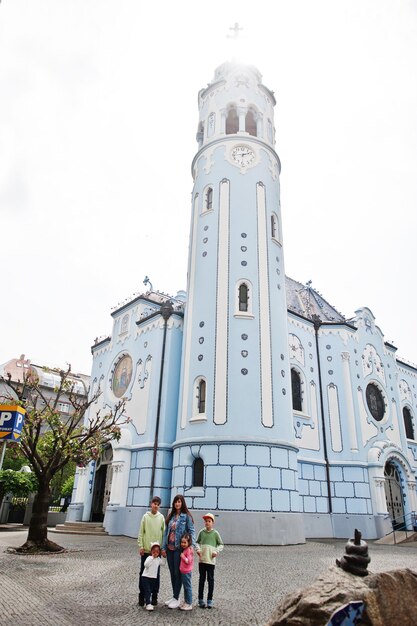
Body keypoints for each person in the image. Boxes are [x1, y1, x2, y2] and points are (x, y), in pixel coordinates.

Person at [161, 494, 195, 609]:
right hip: (169, 549)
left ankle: (176, 598)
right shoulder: (171, 516)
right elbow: (166, 533)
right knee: (172, 573)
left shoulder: (186, 517)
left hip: (178, 549)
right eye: (176, 501)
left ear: (182, 503)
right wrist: (163, 547)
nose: (177, 503)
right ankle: (175, 596)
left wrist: (192, 546)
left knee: (177, 573)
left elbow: (191, 531)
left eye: (179, 501)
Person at [137, 496, 165, 607]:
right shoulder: (145, 517)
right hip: (147, 550)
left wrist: (162, 548)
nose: (156, 505)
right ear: (151, 504)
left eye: (158, 504)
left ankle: (154, 596)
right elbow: (141, 532)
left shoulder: (161, 517)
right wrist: (141, 546)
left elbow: (163, 533)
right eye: (154, 503)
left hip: (157, 551)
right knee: (143, 573)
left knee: (156, 574)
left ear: (159, 506)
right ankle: (142, 596)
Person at [196, 512, 224, 609]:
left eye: (209, 521)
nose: (207, 523)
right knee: (201, 580)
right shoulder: (201, 532)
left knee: (210, 580)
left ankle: (210, 600)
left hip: (211, 562)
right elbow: (196, 543)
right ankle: (200, 599)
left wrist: (216, 551)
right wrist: (198, 549)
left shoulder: (215, 534)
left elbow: (221, 544)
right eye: (206, 521)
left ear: (212, 523)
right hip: (202, 561)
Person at [140, 542, 165, 612]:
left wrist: (164, 557)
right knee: (148, 590)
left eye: (157, 551)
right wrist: (152, 558)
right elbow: (146, 565)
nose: (155, 553)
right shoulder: (149, 558)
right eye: (154, 551)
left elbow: (163, 564)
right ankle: (148, 603)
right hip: (146, 577)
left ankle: (147, 600)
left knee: (150, 590)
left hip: (153, 578)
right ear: (151, 552)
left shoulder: (158, 559)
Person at [179, 533, 194, 611]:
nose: (183, 544)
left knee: (187, 587)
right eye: (182, 542)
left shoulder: (188, 550)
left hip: (186, 572)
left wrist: (183, 556)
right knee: (185, 587)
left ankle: (189, 603)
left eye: (185, 542)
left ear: (189, 542)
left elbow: (189, 561)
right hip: (183, 571)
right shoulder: (186, 549)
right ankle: (186, 601)